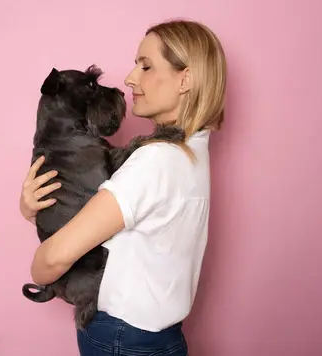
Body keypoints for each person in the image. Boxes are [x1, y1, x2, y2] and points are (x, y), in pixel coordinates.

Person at [19, 19, 226, 356]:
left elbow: (54, 258)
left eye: (145, 66)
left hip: (122, 337)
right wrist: (34, 212)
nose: (130, 78)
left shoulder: (154, 160)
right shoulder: (194, 149)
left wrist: (38, 264)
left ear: (185, 78)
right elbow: (113, 229)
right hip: (162, 336)